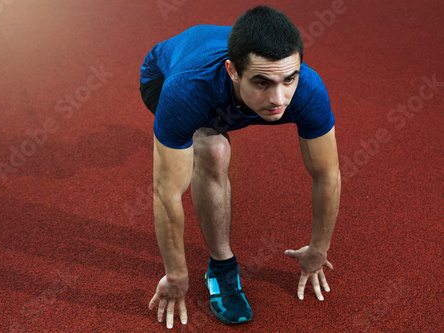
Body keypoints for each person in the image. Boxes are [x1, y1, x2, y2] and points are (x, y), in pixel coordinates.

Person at [139, 5, 341, 329]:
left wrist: (319, 248)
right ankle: (222, 268)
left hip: (221, 79)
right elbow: (166, 194)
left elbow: (327, 174)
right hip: (161, 74)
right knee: (213, 149)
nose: (279, 98)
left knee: (225, 130)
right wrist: (176, 274)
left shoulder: (307, 89)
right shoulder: (186, 90)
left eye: (289, 79)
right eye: (262, 83)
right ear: (233, 71)